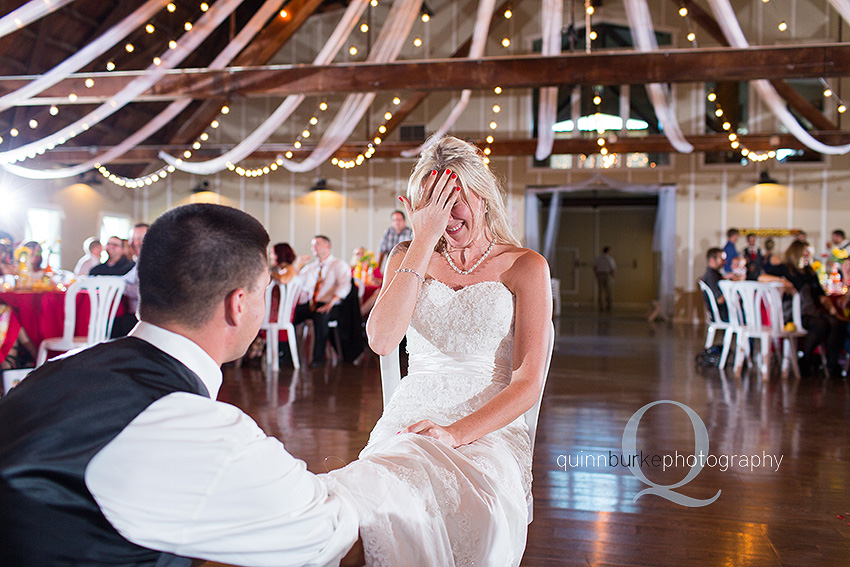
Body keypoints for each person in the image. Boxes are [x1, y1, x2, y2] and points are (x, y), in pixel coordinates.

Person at [0, 204, 361, 566]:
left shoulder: (56, 368)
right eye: (263, 291)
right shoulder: (185, 422)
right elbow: (327, 533)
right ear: (238, 304)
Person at [325, 136, 552, 566]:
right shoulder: (409, 257)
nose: (446, 217)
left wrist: (454, 434)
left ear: (481, 194)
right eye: (432, 206)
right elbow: (381, 341)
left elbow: (527, 384)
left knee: (467, 506)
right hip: (413, 409)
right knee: (380, 493)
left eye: (455, 200)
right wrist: (422, 243)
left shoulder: (525, 265)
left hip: (489, 422)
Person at [759, 240, 847, 376]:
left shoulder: (810, 272)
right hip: (792, 313)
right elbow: (762, 278)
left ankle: (832, 364)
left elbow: (821, 296)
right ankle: (806, 360)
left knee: (836, 323)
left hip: (810, 310)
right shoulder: (784, 268)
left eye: (809, 253)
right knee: (820, 325)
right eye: (805, 253)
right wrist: (781, 281)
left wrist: (831, 309)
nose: (808, 256)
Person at [293, 235, 352, 367]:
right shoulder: (311, 267)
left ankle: (318, 359)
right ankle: (286, 354)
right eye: (313, 245)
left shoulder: (339, 265)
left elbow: (345, 286)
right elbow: (295, 281)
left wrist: (331, 303)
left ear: (327, 246)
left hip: (332, 304)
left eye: (317, 244)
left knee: (321, 317)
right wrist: (298, 265)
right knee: (291, 316)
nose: (313, 248)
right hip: (312, 304)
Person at [112, 223, 149, 338]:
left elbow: (145, 292)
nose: (135, 243)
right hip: (133, 316)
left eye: (140, 239)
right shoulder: (141, 260)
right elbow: (124, 280)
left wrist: (119, 287)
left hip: (144, 320)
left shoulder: (154, 262)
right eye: (132, 239)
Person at [701, 247, 728, 321]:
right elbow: (720, 299)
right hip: (722, 315)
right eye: (721, 259)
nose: (724, 261)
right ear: (712, 260)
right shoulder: (711, 277)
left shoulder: (714, 275)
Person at [593, 246, 616, 313]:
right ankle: (609, 306)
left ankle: (601, 306)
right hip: (607, 275)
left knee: (600, 291)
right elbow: (612, 269)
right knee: (608, 291)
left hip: (600, 275)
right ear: (608, 251)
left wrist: (596, 274)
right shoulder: (610, 259)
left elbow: (594, 267)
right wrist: (613, 275)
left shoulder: (598, 258)